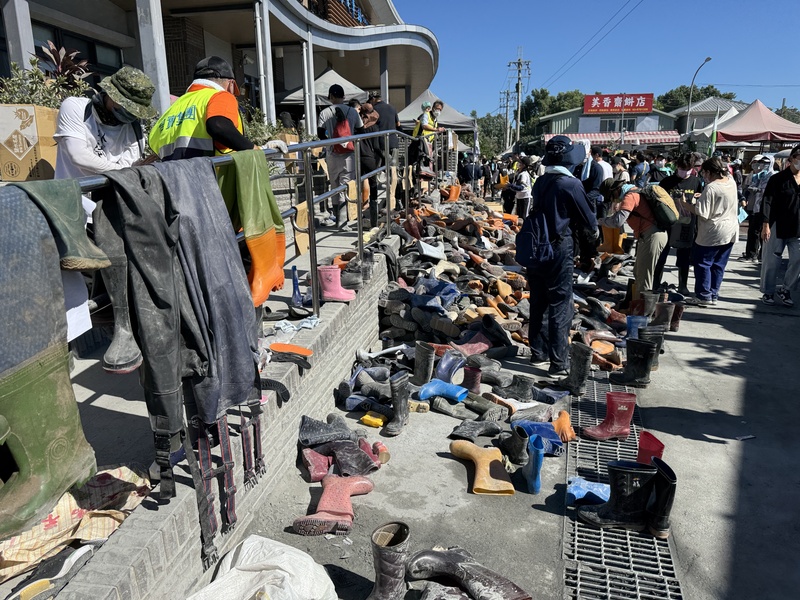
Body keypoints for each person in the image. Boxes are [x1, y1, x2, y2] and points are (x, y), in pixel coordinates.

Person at [55, 65, 156, 373]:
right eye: (125, 106)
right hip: (78, 210)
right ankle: (117, 328)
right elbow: (79, 156)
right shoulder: (77, 108)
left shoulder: (133, 127)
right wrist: (127, 172)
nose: (128, 114)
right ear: (110, 96)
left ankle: (139, 332)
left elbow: (134, 167)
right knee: (90, 280)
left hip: (116, 206)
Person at [525, 135, 598, 375]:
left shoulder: (540, 181)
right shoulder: (570, 184)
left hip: (536, 246)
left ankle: (538, 353)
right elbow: (589, 220)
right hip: (558, 246)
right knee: (560, 303)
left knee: (538, 301)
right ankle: (558, 362)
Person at [149, 56, 287, 161]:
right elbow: (219, 126)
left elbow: (154, 145)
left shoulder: (175, 107)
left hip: (174, 182)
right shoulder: (219, 96)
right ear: (230, 84)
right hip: (210, 180)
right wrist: (256, 150)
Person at [677, 157, 739, 307]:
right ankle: (713, 293)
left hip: (713, 231)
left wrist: (684, 203)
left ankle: (704, 295)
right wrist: (703, 197)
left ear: (710, 172)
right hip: (730, 229)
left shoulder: (711, 187)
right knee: (719, 265)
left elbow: (702, 212)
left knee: (703, 263)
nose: (703, 176)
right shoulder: (730, 181)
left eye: (704, 172)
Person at [598, 177, 669, 295]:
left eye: (611, 197)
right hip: (648, 235)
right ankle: (636, 300)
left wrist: (601, 221)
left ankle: (643, 304)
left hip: (652, 235)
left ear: (615, 191)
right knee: (638, 272)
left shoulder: (629, 196)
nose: (612, 200)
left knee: (644, 275)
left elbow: (618, 222)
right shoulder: (633, 192)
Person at [653, 153, 704, 294]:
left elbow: (701, 202)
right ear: (677, 167)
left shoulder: (696, 182)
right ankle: (656, 283)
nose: (684, 172)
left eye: (688, 169)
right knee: (661, 256)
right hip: (667, 223)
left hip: (686, 224)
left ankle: (683, 285)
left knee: (684, 257)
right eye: (682, 169)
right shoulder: (667, 182)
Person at [317, 83, 364, 229]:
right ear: (343, 96)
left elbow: (320, 134)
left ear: (331, 96)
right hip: (349, 154)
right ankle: (342, 222)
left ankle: (338, 218)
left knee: (335, 185)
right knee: (345, 185)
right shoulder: (353, 112)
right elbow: (361, 131)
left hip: (332, 153)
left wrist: (331, 142)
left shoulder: (325, 113)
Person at [759, 145, 800, 307]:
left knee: (797, 259)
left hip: (797, 227)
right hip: (777, 224)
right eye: (799, 157)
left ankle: (786, 289)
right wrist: (765, 224)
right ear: (792, 159)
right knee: (772, 260)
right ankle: (768, 291)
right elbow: (767, 201)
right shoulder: (778, 179)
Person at [739, 155, 773, 262]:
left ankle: (761, 255)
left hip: (765, 207)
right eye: (761, 163)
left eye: (765, 163)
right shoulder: (760, 175)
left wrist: (758, 190)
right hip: (756, 206)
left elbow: (769, 192)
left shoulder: (772, 176)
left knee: (762, 232)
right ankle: (752, 254)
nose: (763, 165)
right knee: (753, 231)